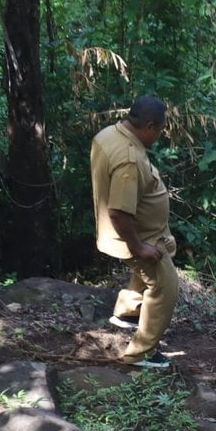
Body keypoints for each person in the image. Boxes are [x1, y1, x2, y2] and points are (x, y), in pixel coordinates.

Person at [91, 96, 179, 368]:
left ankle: (128, 312)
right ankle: (141, 353)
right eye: (161, 129)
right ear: (150, 126)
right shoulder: (128, 160)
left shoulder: (108, 135)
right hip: (133, 236)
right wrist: (139, 246)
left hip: (136, 232)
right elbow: (118, 211)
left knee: (144, 273)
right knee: (166, 287)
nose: (161, 134)